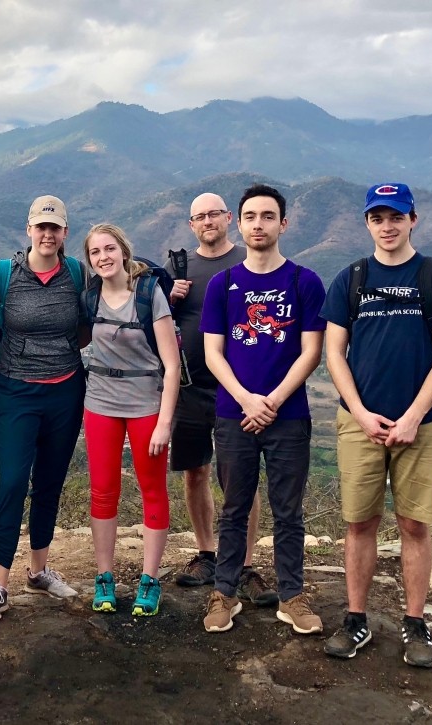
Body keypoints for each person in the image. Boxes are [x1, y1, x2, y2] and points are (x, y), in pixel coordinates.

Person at [320, 183, 432, 668]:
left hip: (420, 425)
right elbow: (333, 353)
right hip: (359, 422)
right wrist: (360, 413)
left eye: (396, 217)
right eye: (378, 218)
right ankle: (355, 619)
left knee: (414, 524)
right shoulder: (351, 278)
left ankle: (415, 622)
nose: (387, 226)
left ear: (412, 220)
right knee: (359, 522)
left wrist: (413, 417)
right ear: (367, 223)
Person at [197, 184, 327, 635]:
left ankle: (292, 595)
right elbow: (213, 353)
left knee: (288, 510)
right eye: (250, 216)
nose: (258, 224)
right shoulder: (223, 284)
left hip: (288, 416)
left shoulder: (304, 281)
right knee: (234, 507)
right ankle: (224, 591)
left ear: (283, 224)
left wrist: (272, 400)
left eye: (268, 216)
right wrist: (247, 399)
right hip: (234, 413)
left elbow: (312, 351)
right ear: (239, 223)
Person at [0, 194, 87, 623]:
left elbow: (95, 317)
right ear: (28, 230)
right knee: (12, 483)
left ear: (65, 232)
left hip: (66, 391)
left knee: (50, 483)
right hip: (16, 391)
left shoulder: (77, 273)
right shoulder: (4, 275)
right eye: (41, 226)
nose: (47, 234)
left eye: (54, 227)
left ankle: (39, 571)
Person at [168, 193, 276, 606]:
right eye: (200, 216)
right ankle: (207, 553)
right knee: (195, 472)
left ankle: (245, 564)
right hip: (190, 388)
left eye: (214, 214)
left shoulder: (248, 260)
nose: (207, 221)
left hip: (241, 390)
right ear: (191, 224)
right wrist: (169, 297)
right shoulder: (179, 269)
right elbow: (155, 320)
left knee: (241, 477)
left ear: (229, 218)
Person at [81, 223, 179, 616]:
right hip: (100, 403)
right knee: (103, 491)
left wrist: (164, 423)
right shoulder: (90, 297)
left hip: (146, 405)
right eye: (95, 252)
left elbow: (172, 365)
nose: (103, 257)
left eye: (109, 249)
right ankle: (104, 577)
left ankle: (149, 580)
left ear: (123, 251)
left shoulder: (148, 294)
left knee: (152, 489)